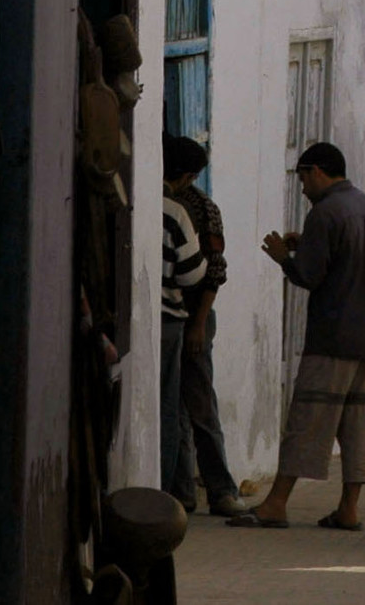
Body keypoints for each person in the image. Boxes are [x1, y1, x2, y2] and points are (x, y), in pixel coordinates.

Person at [230, 142, 365, 532]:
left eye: (302, 178)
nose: (301, 188)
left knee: (308, 418)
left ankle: (276, 504)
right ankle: (348, 509)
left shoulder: (326, 212)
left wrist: (284, 256)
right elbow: (342, 257)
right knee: (358, 424)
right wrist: (307, 245)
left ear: (318, 171)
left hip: (332, 337)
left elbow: (309, 276)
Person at [163, 135, 244, 517]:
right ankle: (181, 493)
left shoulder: (202, 209)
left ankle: (221, 490)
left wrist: (198, 325)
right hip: (172, 316)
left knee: (198, 403)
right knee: (173, 407)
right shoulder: (161, 200)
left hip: (193, 316)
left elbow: (214, 270)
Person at [159, 183, 208, 500]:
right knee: (168, 408)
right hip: (168, 319)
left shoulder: (124, 196)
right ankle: (166, 491)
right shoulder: (175, 212)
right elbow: (193, 274)